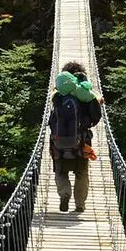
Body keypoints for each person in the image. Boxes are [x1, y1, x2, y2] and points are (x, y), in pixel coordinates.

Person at [48, 60, 102, 212]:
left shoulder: (57, 95)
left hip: (58, 142)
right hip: (82, 141)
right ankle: (80, 204)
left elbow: (52, 120)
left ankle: (65, 194)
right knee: (82, 173)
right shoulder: (87, 95)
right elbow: (96, 117)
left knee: (60, 172)